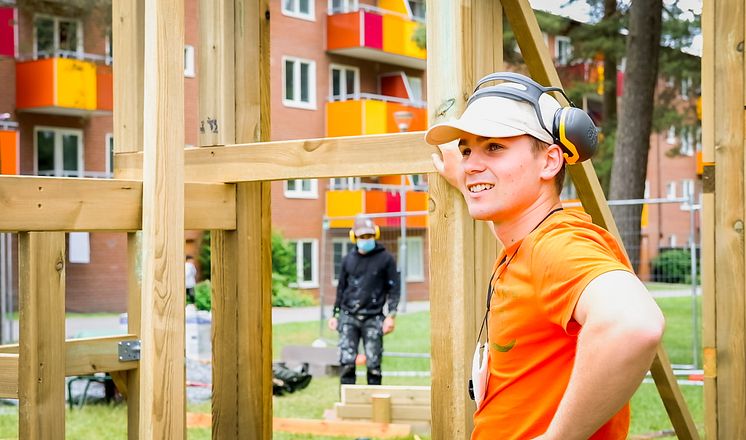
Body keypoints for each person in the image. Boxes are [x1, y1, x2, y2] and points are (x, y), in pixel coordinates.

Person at [424, 72, 665, 439]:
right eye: (467, 149)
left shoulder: (557, 245)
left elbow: (634, 324)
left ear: (551, 161)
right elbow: (509, 220)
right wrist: (467, 179)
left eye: (494, 147)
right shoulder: (526, 239)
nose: (471, 162)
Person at [328, 215, 400, 385]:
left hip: (373, 317)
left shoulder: (386, 259)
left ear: (375, 235)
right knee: (346, 363)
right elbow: (341, 288)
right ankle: (348, 404)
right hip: (348, 316)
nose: (365, 240)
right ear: (354, 237)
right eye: (362, 237)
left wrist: (391, 315)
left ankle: (375, 406)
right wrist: (334, 314)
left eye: (369, 236)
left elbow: (394, 289)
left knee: (374, 365)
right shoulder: (348, 260)